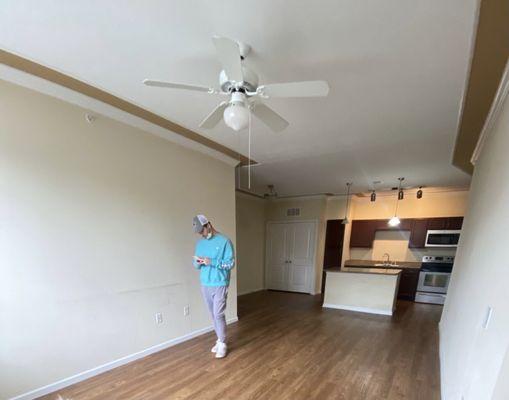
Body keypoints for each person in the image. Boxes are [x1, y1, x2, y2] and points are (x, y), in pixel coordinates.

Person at [192, 214, 235, 358]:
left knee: (218, 313)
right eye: (199, 233)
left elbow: (230, 264)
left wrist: (212, 262)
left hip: (220, 283)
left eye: (202, 231)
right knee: (212, 315)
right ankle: (219, 339)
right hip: (205, 283)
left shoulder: (225, 241)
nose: (202, 235)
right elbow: (196, 266)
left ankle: (222, 343)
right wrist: (198, 262)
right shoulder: (200, 244)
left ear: (208, 225)